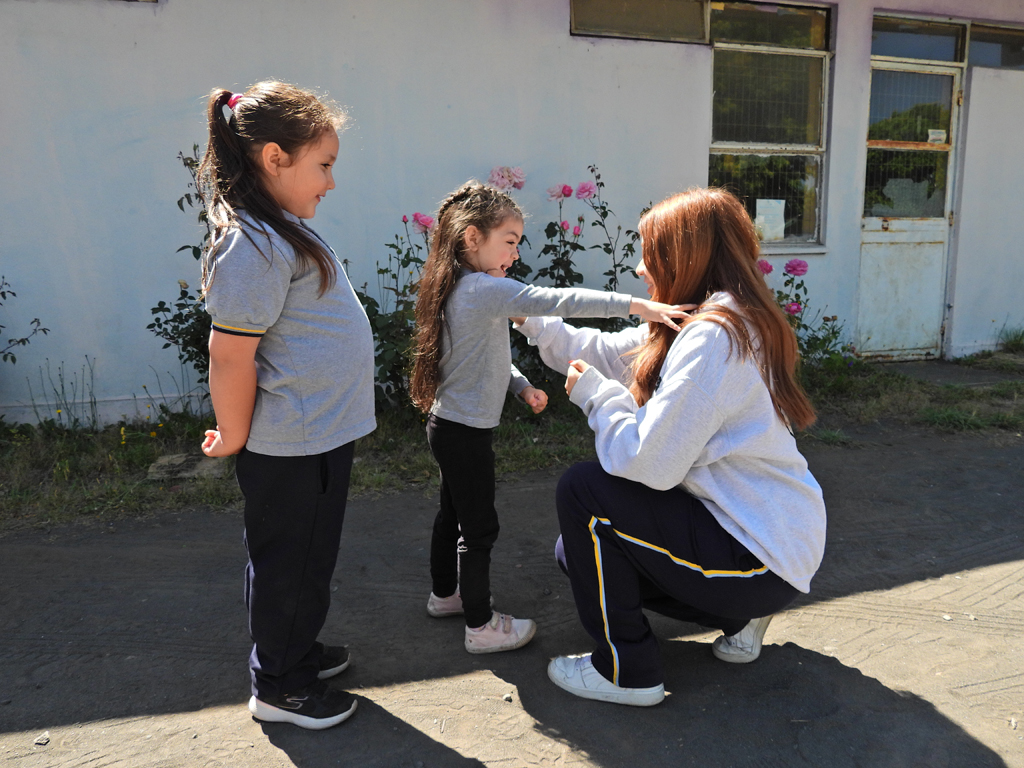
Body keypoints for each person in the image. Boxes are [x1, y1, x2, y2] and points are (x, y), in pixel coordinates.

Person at [513, 187, 826, 706]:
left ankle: (627, 672)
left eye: (650, 254)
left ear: (686, 257)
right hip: (772, 543)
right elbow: (604, 351)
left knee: (584, 493)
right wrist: (524, 312)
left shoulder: (713, 339)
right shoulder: (713, 317)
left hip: (757, 555)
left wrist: (598, 397)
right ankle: (740, 617)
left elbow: (648, 462)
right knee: (577, 551)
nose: (640, 269)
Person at [409, 181, 689, 655]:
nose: (515, 254)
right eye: (510, 240)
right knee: (478, 529)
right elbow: (557, 300)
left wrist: (520, 386)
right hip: (465, 433)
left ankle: (446, 595)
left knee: (453, 514)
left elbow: (477, 359)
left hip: (449, 426)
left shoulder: (461, 286)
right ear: (473, 238)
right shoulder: (483, 289)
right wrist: (637, 305)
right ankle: (480, 625)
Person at [198, 81, 375, 730]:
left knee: (303, 560)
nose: (331, 181)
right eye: (323, 165)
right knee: (291, 566)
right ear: (275, 158)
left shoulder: (280, 231)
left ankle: (292, 650)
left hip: (317, 437)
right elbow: (229, 355)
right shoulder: (252, 245)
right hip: (292, 446)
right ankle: (281, 687)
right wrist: (233, 432)